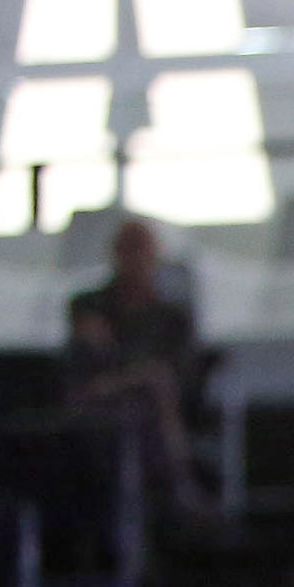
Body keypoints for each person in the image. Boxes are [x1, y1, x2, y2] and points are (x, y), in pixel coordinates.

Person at [64, 218, 204, 513]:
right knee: (150, 387)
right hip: (99, 404)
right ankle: (179, 485)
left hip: (148, 403)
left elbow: (179, 373)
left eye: (141, 250)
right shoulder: (88, 306)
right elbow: (85, 364)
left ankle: (171, 490)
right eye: (128, 250)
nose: (135, 260)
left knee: (154, 388)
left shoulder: (172, 317)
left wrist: (125, 369)